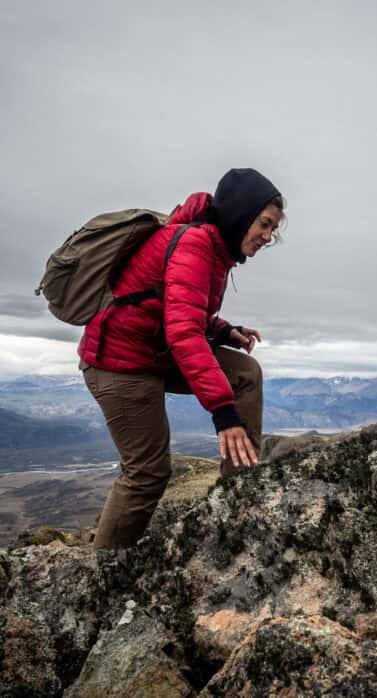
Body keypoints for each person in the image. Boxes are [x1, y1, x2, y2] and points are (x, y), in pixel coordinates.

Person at [77, 168, 285, 550]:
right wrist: (223, 414)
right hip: (118, 363)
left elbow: (175, 308)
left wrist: (223, 330)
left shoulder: (215, 249)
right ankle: (101, 571)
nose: (268, 236)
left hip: (152, 353)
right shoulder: (196, 243)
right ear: (241, 213)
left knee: (245, 373)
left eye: (273, 229)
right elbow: (183, 332)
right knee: (147, 473)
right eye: (265, 223)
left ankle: (237, 495)